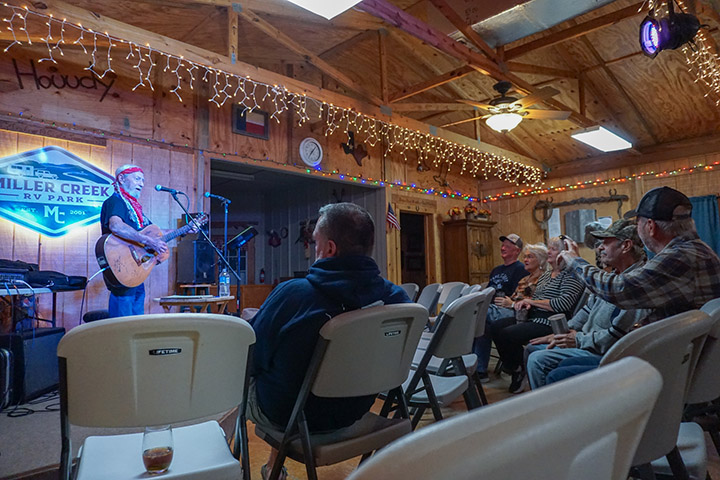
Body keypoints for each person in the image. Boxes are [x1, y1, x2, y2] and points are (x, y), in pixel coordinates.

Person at [248, 202, 409, 480]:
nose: (312, 251)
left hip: (291, 416)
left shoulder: (293, 295)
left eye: (315, 243)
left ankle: (229, 467)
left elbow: (252, 359)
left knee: (243, 380)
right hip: (355, 409)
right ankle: (273, 467)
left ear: (330, 249)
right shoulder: (398, 301)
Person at [559, 186, 720, 325]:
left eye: (638, 223)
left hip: (673, 357)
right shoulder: (696, 249)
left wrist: (574, 261)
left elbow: (618, 289)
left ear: (650, 226)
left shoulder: (679, 256)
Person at [526, 219, 649, 389]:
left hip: (604, 351)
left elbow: (614, 337)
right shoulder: (612, 276)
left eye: (606, 242)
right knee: (532, 349)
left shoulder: (632, 283)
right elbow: (587, 309)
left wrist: (577, 339)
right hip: (588, 341)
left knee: (538, 360)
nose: (600, 247)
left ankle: (546, 410)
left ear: (626, 246)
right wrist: (562, 333)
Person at [491, 236, 585, 393]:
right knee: (496, 326)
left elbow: (562, 304)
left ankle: (519, 369)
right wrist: (528, 303)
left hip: (551, 321)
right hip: (533, 316)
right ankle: (518, 367)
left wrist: (532, 302)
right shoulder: (547, 275)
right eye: (549, 248)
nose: (549, 251)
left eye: (553, 249)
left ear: (565, 253)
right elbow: (536, 298)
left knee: (508, 334)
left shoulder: (571, 275)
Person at [100, 165, 168, 318]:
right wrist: (149, 241)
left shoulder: (135, 209)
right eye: (137, 179)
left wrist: (185, 229)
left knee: (136, 322)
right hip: (122, 266)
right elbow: (116, 226)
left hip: (135, 270)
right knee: (122, 324)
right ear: (122, 179)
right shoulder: (116, 201)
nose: (142, 184)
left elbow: (156, 233)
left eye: (143, 180)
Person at [473, 243, 548, 381]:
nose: (525, 259)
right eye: (525, 257)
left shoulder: (544, 279)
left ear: (540, 260)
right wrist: (509, 302)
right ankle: (477, 368)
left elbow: (534, 302)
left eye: (530, 257)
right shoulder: (524, 280)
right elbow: (512, 297)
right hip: (508, 310)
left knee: (478, 313)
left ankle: (456, 354)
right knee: (482, 323)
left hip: (523, 315)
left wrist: (511, 304)